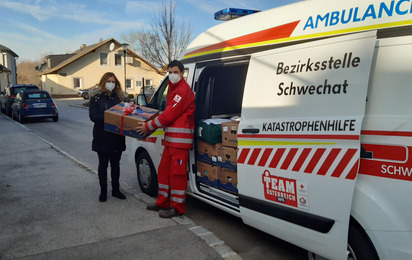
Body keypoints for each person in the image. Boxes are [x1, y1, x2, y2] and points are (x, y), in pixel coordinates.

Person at [136, 60, 195, 218]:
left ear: (182, 73)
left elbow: (169, 115)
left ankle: (177, 207)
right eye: (170, 72)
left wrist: (149, 126)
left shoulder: (182, 91)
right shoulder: (173, 88)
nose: (172, 75)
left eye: (176, 72)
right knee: (163, 171)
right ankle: (162, 201)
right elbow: (166, 112)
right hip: (171, 140)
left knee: (177, 174)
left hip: (180, 142)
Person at [89, 72, 126, 202]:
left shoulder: (120, 98)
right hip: (102, 137)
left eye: (113, 81)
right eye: (109, 81)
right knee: (103, 165)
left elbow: (126, 114)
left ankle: (116, 189)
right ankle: (103, 191)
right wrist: (110, 116)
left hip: (117, 137)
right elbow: (93, 116)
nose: (111, 83)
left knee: (116, 165)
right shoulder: (96, 98)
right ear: (104, 82)